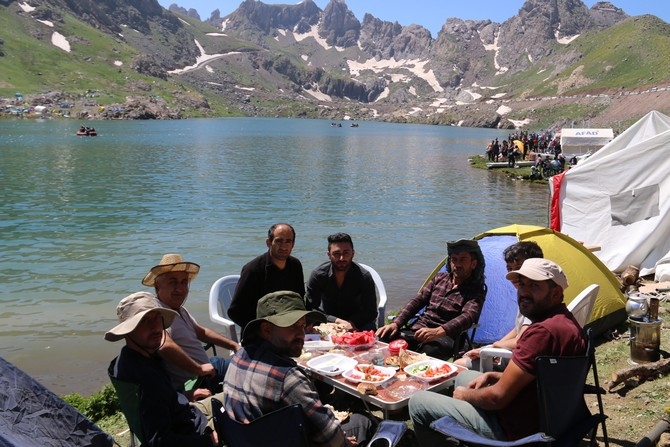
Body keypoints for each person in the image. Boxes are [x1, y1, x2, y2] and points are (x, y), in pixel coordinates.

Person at [408, 258, 586, 445]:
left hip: (515, 430)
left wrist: (464, 395)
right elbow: (545, 377)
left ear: (556, 293)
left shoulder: (541, 333)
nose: (524, 292)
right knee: (463, 377)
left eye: (534, 286)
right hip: (545, 412)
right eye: (521, 285)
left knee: (418, 401)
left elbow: (496, 399)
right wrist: (496, 375)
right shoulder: (566, 322)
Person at [223, 291, 373, 447]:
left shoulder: (238, 357)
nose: (301, 334)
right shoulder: (287, 378)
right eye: (292, 325)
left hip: (249, 438)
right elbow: (332, 439)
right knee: (361, 421)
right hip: (278, 439)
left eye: (302, 325)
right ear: (267, 329)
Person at [106, 291, 220, 447]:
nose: (154, 327)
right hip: (193, 427)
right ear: (128, 331)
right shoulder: (147, 378)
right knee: (240, 401)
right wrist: (208, 441)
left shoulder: (126, 360)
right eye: (144, 321)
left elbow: (158, 404)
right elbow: (160, 442)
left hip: (183, 410)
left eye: (156, 318)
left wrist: (182, 395)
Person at [143, 253, 240, 400]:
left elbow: (201, 331)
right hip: (196, 381)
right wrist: (199, 369)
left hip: (210, 367)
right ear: (157, 286)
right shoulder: (159, 313)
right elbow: (164, 345)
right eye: (173, 282)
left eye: (183, 282)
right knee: (249, 367)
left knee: (248, 357)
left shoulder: (178, 309)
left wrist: (234, 345)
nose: (180, 289)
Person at [375, 239, 487, 360]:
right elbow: (417, 301)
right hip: (419, 329)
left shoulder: (477, 289)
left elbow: (468, 316)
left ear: (473, 264)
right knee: (383, 338)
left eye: (463, 259)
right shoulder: (439, 278)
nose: (457, 264)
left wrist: (439, 331)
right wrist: (396, 323)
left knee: (427, 353)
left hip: (446, 337)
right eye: (454, 259)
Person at [455, 241, 544, 370]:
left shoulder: (533, 301)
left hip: (519, 362)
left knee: (459, 363)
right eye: (509, 269)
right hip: (517, 354)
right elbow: (518, 329)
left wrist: (493, 348)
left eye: (519, 267)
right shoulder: (532, 295)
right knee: (467, 357)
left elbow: (521, 340)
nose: (513, 274)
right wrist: (492, 346)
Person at [228, 223, 305, 329]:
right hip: (261, 334)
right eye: (279, 241)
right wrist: (261, 329)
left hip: (290, 329)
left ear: (293, 244)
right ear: (268, 242)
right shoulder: (253, 269)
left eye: (288, 241)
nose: (283, 246)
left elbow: (299, 301)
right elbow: (235, 311)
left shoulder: (295, 265)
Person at [305, 232, 377, 331]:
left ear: (353, 253)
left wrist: (351, 323)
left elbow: (371, 311)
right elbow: (311, 308)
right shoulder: (318, 275)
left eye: (346, 253)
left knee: (370, 330)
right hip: (328, 320)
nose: (342, 258)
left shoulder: (364, 277)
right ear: (329, 255)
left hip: (356, 321)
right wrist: (336, 321)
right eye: (336, 254)